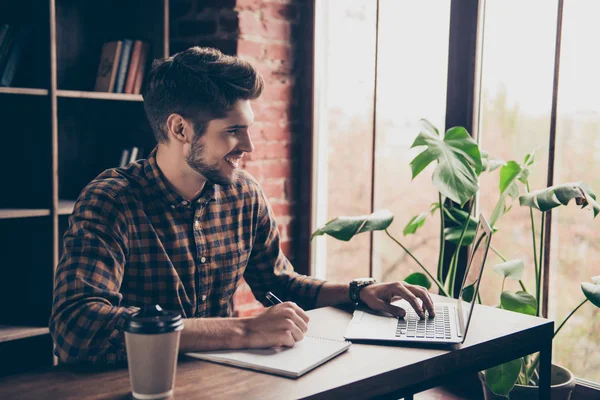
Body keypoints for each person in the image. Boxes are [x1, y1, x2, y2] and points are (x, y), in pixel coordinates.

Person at [49, 46, 435, 364]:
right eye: (233, 131)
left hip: (226, 379)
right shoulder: (111, 200)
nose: (248, 147)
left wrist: (357, 292)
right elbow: (75, 328)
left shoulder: (243, 194)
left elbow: (278, 281)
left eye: (247, 128)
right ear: (179, 129)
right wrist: (244, 330)